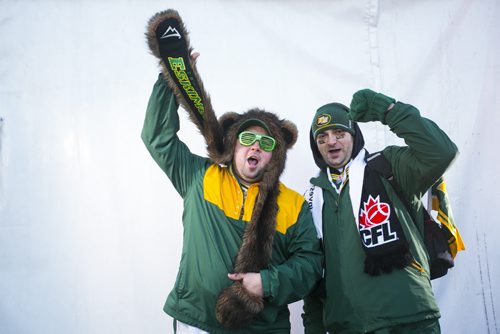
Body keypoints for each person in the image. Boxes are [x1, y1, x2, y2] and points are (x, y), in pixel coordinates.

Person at [141, 71, 322, 333]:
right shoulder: (200, 177)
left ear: (275, 154)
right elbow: (158, 138)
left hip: (263, 329)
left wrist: (267, 283)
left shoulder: (294, 205)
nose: (256, 147)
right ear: (233, 145)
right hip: (197, 321)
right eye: (247, 139)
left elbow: (310, 265)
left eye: (266, 142)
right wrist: (171, 77)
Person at [302, 89, 458, 333]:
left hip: (408, 317)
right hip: (349, 326)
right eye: (321, 137)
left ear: (355, 136)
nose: (331, 141)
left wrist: (388, 111)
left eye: (339, 133)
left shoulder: (388, 165)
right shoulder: (311, 199)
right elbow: (313, 273)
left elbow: (441, 152)